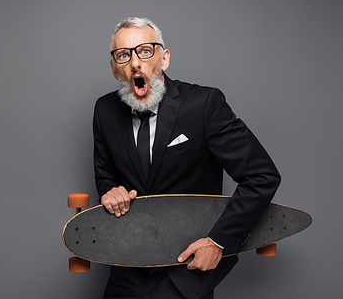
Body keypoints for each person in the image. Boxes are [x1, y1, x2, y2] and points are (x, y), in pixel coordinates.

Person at [93, 17, 281, 299]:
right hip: (126, 272)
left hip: (185, 274)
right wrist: (110, 191)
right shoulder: (105, 110)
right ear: (114, 68)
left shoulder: (203, 105)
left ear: (164, 58)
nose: (135, 63)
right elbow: (105, 175)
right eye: (123, 55)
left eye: (145, 50)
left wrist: (218, 243)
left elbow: (262, 177)